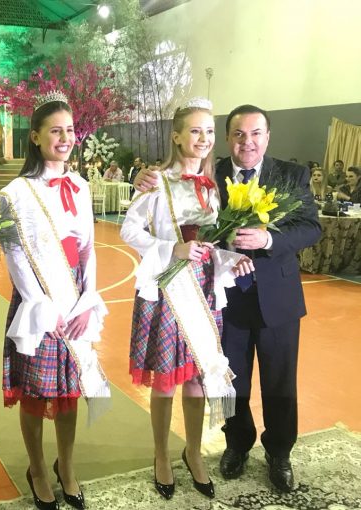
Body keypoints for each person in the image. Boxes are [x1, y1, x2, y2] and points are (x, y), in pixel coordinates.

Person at [134, 103, 321, 493]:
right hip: (222, 299)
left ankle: (279, 452)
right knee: (225, 381)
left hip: (277, 299)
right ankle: (236, 444)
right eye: (238, 134)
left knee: (279, 381)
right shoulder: (210, 175)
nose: (247, 142)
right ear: (228, 139)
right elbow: (172, 192)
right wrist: (144, 178)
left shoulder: (290, 175)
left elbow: (309, 228)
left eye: (256, 134)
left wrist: (270, 239)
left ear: (267, 137)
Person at [122, 98, 252, 500]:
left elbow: (210, 246)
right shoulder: (157, 182)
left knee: (197, 377)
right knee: (164, 381)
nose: (203, 138)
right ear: (176, 136)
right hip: (168, 291)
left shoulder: (214, 187)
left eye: (209, 131)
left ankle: (193, 451)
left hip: (204, 292)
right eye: (195, 130)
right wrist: (171, 249)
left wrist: (232, 258)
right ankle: (162, 455)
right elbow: (129, 230)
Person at [0, 91, 110, 510]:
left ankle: (67, 466)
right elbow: (13, 256)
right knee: (36, 393)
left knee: (68, 392)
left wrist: (85, 303)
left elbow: (88, 249)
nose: (64, 138)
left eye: (69, 130)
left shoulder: (80, 186)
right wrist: (47, 308)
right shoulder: (14, 193)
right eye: (55, 131)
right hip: (38, 307)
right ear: (36, 137)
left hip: (75, 302)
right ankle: (39, 468)